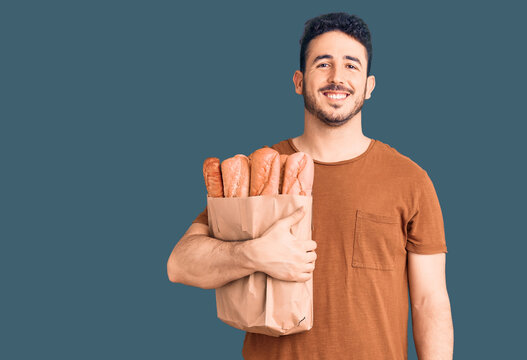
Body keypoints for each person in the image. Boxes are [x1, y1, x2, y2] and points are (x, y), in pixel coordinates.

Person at [167, 12, 454, 360]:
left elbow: (429, 301)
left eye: (351, 65)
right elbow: (180, 264)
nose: (337, 77)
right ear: (299, 81)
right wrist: (253, 254)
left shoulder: (410, 179)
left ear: (369, 85)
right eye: (323, 64)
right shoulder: (261, 169)